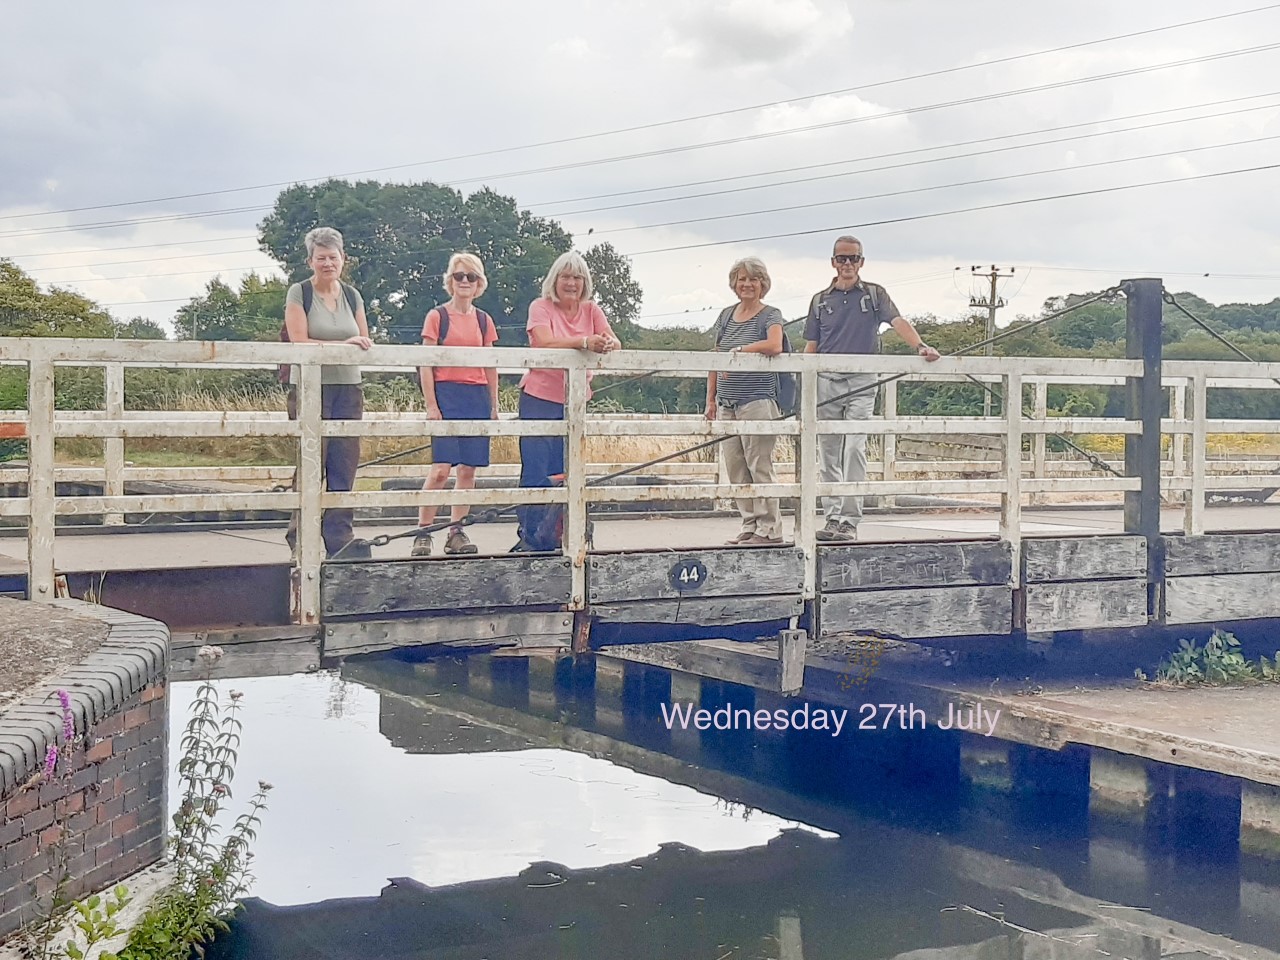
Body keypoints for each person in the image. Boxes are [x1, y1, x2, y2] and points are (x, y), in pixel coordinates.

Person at [804, 235, 941, 543]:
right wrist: (804, 383)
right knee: (827, 452)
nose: (847, 264)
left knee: (854, 447)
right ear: (833, 262)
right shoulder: (820, 300)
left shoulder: (875, 294)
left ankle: (850, 520)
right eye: (842, 259)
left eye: (853, 258)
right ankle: (831, 518)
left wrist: (920, 346)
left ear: (862, 262)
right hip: (826, 379)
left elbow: (897, 321)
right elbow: (811, 345)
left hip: (863, 379)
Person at [515, 251, 620, 551]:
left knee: (568, 469)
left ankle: (562, 533)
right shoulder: (541, 306)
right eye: (566, 277)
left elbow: (613, 339)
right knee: (536, 469)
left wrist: (607, 342)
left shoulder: (591, 310)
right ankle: (529, 533)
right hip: (539, 398)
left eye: (577, 277)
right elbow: (543, 341)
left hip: (574, 401)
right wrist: (583, 342)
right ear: (554, 280)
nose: (571, 283)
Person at [282, 226, 373, 558]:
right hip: (310, 387)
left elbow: (362, 339)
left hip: (348, 386)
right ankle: (300, 537)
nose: (327, 263)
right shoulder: (299, 293)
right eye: (321, 257)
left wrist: (351, 345)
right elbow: (299, 340)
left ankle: (339, 536)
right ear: (310, 261)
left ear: (342, 259)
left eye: (333, 257)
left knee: (344, 464)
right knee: (310, 461)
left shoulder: (352, 296)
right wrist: (341, 344)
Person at [411, 253, 500, 557]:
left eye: (471, 277)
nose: (465, 282)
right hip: (447, 393)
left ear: (479, 284)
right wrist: (432, 405)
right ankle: (423, 532)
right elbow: (425, 363)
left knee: (468, 469)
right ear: (450, 281)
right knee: (440, 469)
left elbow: (491, 365)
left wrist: (493, 404)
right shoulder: (437, 316)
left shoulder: (484, 320)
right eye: (460, 276)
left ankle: (456, 531)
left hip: (475, 394)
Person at [706, 257, 786, 546]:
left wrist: (742, 349)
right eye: (742, 279)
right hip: (728, 400)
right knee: (736, 466)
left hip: (757, 400)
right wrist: (710, 399)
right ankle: (750, 524)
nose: (747, 284)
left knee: (759, 464)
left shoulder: (770, 314)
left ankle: (770, 528)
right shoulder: (726, 315)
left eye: (753, 279)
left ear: (763, 283)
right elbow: (715, 357)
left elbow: (775, 345)